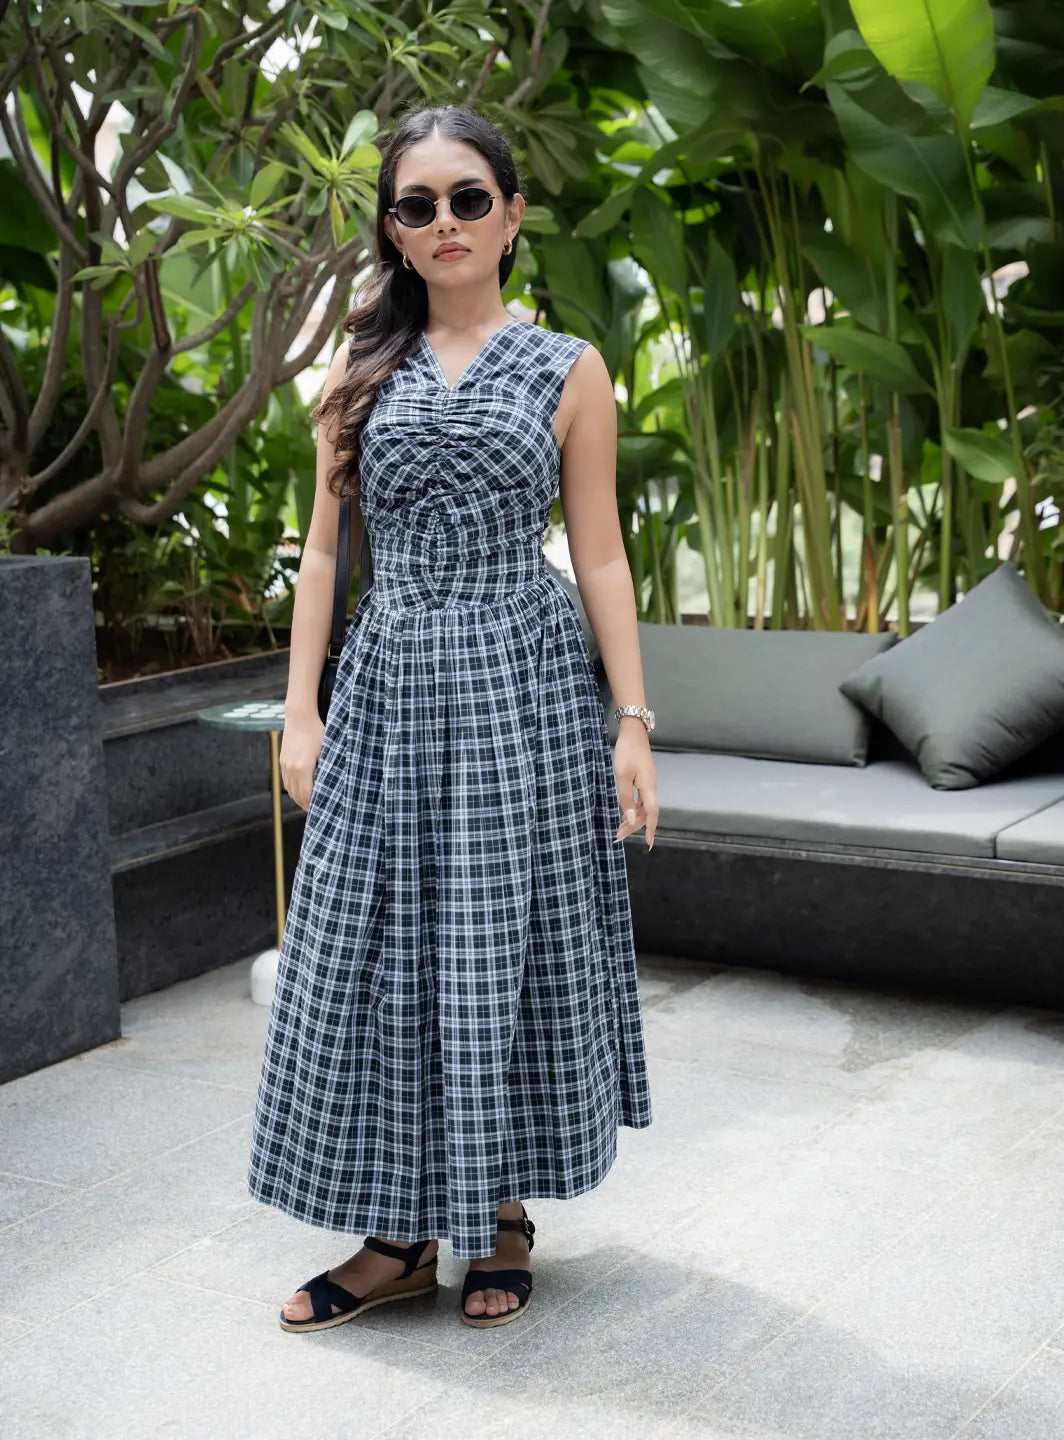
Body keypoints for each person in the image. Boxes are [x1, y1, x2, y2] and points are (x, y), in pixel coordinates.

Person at [246, 101, 657, 1333]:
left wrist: (633, 719)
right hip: (388, 683)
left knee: (506, 937)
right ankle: (396, 1235)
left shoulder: (570, 369)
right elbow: (325, 554)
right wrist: (301, 708)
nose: (446, 223)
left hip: (525, 685)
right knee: (374, 946)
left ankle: (504, 1216)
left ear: (512, 216)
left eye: (469, 198)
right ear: (393, 229)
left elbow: (600, 555)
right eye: (417, 205)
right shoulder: (357, 369)